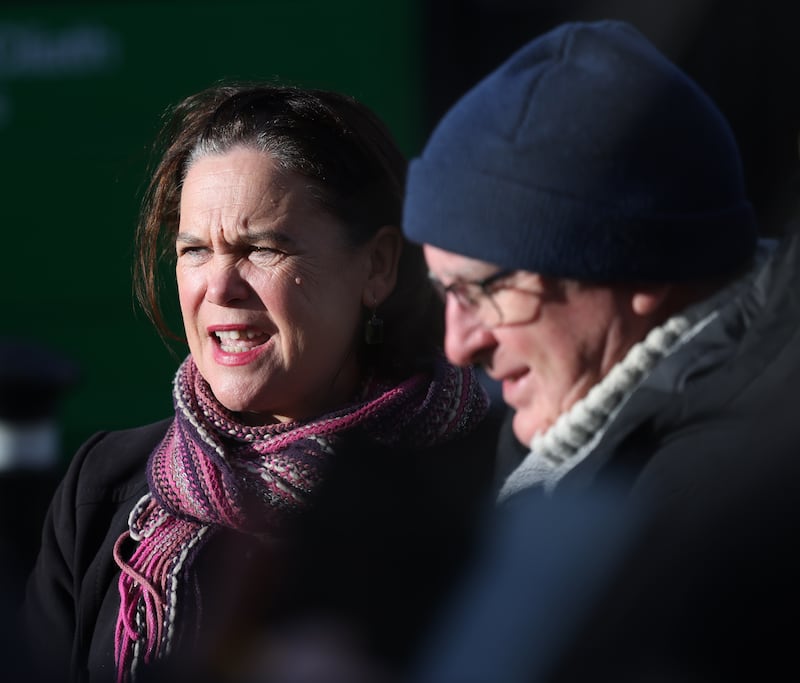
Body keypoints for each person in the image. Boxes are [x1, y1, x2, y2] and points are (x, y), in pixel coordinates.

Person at [23, 83, 498, 683]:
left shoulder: (488, 494)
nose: (218, 288)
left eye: (263, 248)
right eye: (194, 250)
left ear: (377, 266)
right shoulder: (105, 490)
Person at [402, 19, 800, 682]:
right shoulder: (561, 439)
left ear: (637, 267)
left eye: (487, 290)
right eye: (442, 292)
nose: (458, 342)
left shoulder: (731, 513)